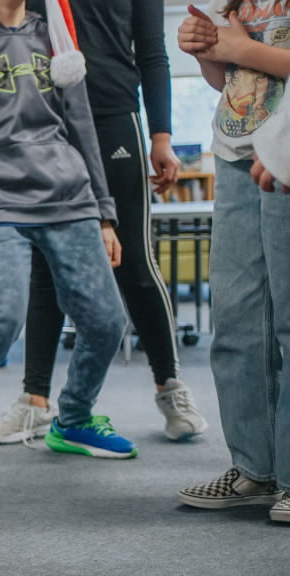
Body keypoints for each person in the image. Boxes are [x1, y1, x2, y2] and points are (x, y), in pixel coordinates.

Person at [0, 0, 136, 490]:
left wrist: (104, 212)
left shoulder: (57, 37)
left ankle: (73, 418)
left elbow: (82, 127)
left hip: (69, 196)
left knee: (107, 319)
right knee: (2, 317)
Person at [0, 0, 208, 446]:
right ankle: (35, 401)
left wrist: (161, 135)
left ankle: (171, 387)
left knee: (135, 262)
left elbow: (153, 52)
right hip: (46, 119)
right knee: (44, 262)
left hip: (114, 116)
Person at [175, 0, 290, 524]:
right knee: (237, 321)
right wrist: (206, 54)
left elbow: (253, 55)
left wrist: (244, 48)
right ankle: (255, 469)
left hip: (285, 153)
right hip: (235, 151)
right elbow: (233, 82)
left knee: (288, 322)